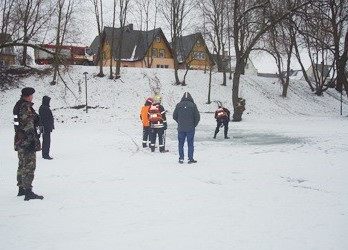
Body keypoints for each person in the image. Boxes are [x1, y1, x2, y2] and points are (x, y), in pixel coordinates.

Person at [13, 87, 44, 201]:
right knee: (29, 166)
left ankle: (21, 189)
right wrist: (32, 141)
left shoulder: (18, 105)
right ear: (28, 95)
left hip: (20, 139)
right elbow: (28, 126)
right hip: (27, 141)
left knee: (22, 165)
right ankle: (28, 192)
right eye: (32, 95)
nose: (32, 97)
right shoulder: (25, 107)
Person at [173, 92, 200, 164]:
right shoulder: (193, 105)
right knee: (190, 143)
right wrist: (194, 125)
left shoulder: (178, 105)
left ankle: (181, 158)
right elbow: (197, 117)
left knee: (180, 143)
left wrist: (179, 122)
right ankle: (190, 159)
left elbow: (174, 116)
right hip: (190, 128)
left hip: (181, 128)